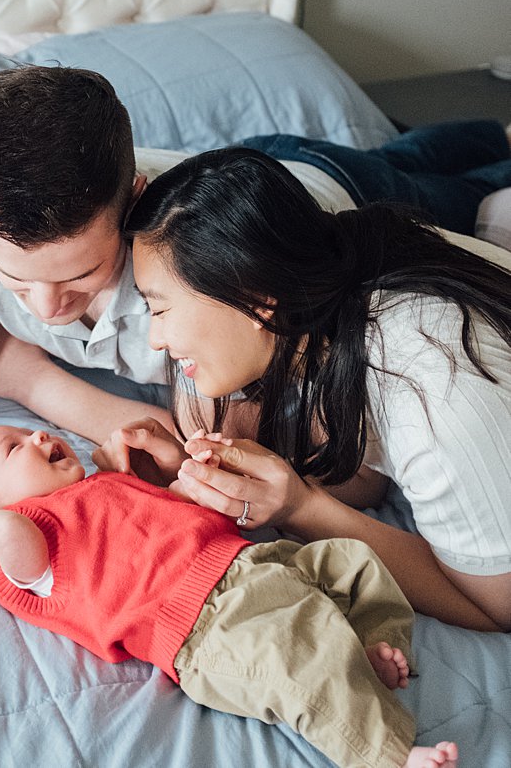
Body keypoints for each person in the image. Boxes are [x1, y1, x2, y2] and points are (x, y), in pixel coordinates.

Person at [0, 63, 511, 590]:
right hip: (241, 174)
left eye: (79, 276)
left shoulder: (222, 291)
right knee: (425, 152)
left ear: (134, 201)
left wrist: (26, 373)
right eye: (14, 286)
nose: (45, 310)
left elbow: (344, 467)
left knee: (448, 193)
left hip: (329, 192)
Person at [124, 146, 511, 633]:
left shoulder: (434, 397)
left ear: (255, 301)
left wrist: (302, 509)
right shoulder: (329, 295)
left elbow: (497, 606)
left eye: (159, 309)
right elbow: (370, 474)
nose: (155, 338)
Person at [0, 421, 460, 768]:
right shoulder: (25, 559)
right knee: (297, 661)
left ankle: (371, 648)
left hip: (250, 563)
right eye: (12, 448)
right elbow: (7, 536)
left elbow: (178, 519)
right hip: (205, 625)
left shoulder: (98, 488)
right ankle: (389, 755)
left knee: (353, 561)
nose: (35, 434)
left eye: (26, 432)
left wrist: (180, 474)